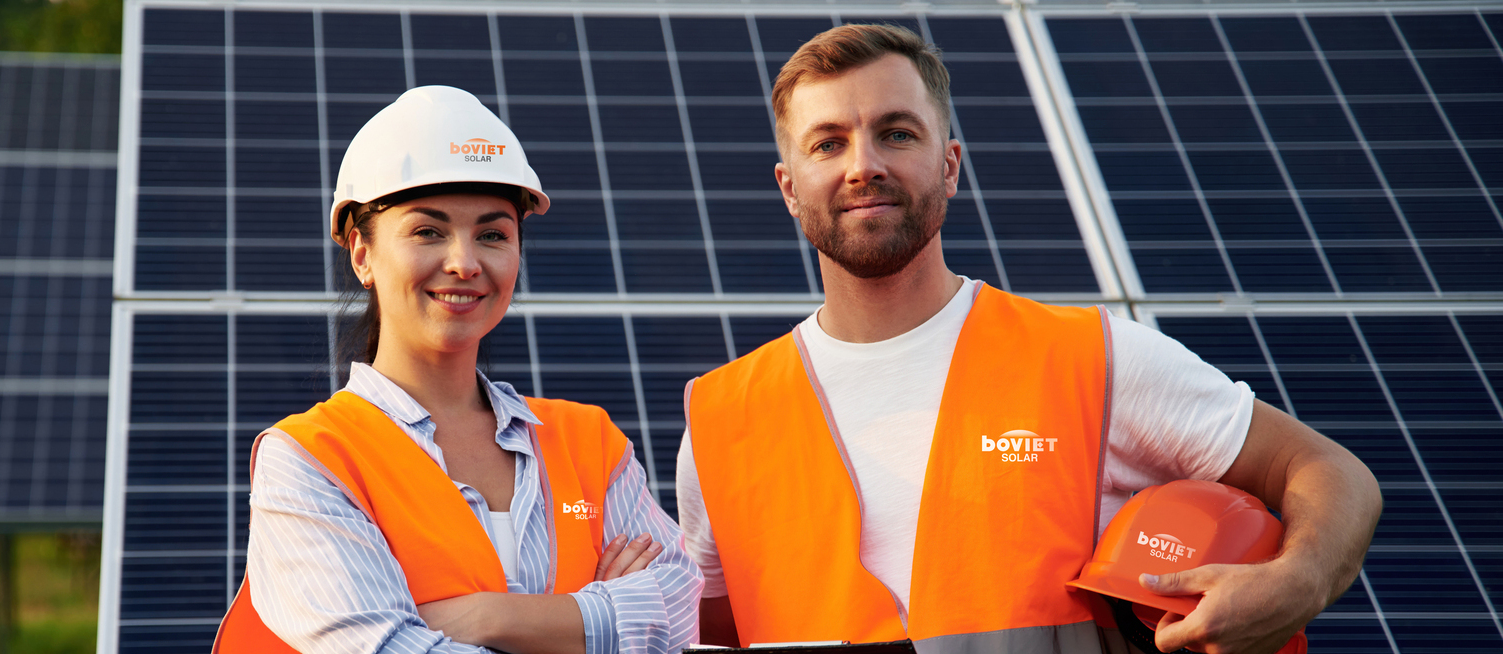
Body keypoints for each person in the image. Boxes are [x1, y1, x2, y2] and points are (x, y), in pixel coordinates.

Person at [677, 24, 1380, 653]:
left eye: (897, 132)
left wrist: (1300, 580)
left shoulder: (1091, 357)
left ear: (950, 165)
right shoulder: (719, 421)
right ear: (789, 187)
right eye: (828, 143)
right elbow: (708, 633)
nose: (864, 165)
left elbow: (1328, 472)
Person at [214, 85, 703, 654]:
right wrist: (595, 620)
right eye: (428, 231)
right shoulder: (309, 460)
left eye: (492, 235)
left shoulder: (589, 445)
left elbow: (678, 615)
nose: (464, 263)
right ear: (362, 253)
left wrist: (486, 618)